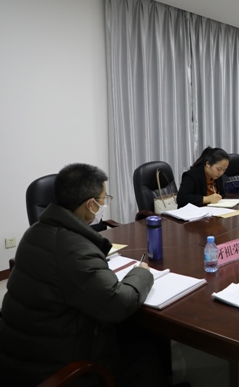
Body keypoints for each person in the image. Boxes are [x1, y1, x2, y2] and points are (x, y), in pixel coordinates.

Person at [0, 163, 167, 386]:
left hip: (21, 352)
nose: (104, 205)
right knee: (144, 346)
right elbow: (118, 303)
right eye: (104, 200)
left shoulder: (34, 232)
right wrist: (141, 273)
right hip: (54, 369)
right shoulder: (74, 249)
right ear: (90, 205)